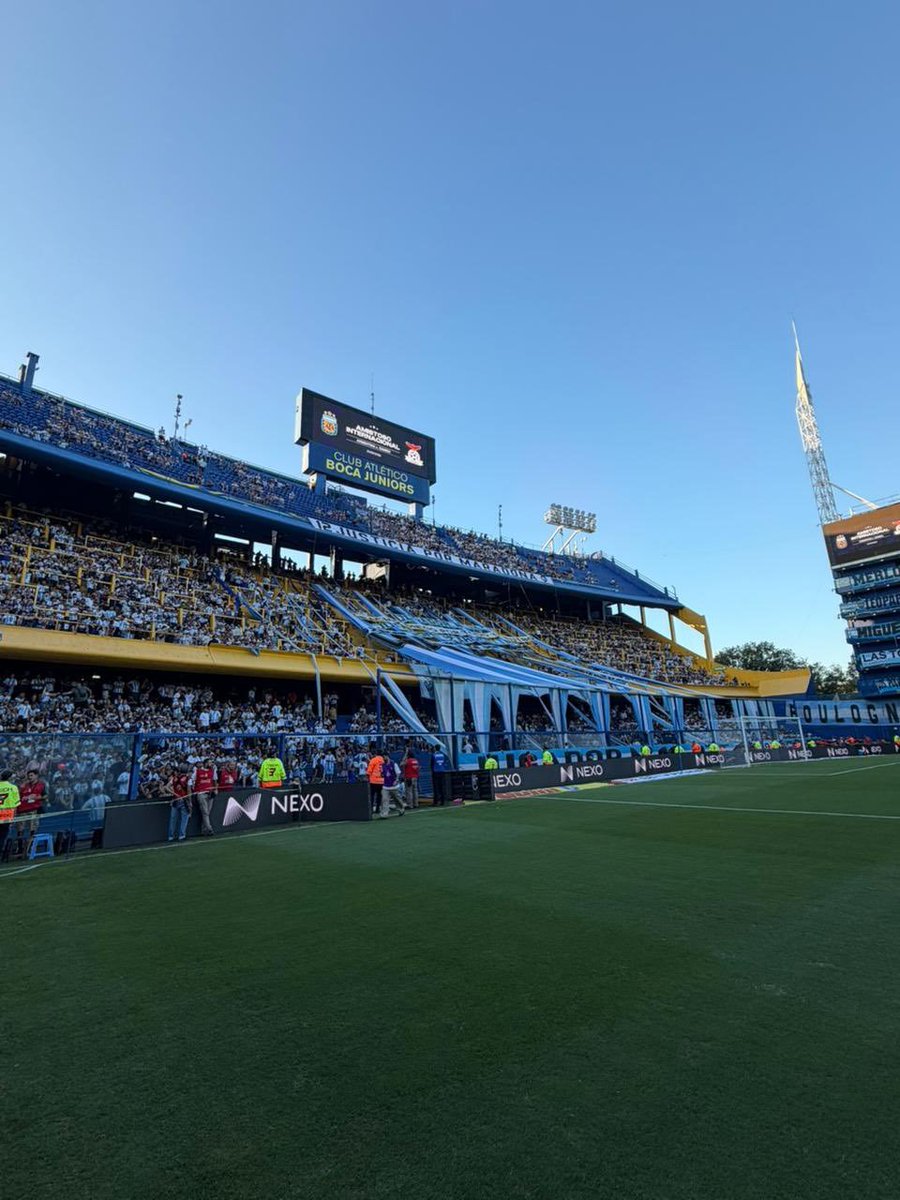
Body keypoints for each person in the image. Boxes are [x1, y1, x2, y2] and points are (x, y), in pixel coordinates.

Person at [191, 759, 217, 836]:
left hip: (210, 793)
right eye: (209, 762)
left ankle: (204, 830)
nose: (211, 764)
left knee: (207, 812)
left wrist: (215, 789)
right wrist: (194, 789)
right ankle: (209, 829)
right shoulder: (198, 771)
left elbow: (215, 781)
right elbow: (192, 780)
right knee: (205, 812)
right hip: (201, 793)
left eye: (211, 762)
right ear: (205, 763)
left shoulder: (212, 771)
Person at [0, 769, 21, 862]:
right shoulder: (13, 787)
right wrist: (14, 817)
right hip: (7, 814)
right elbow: (15, 804)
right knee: (2, 836)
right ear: (9, 777)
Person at [366, 745, 385, 816]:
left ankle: (370, 809)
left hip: (373, 780)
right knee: (379, 796)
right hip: (381, 780)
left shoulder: (373, 760)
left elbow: (369, 771)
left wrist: (367, 777)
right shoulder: (383, 760)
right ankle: (378, 808)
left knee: (372, 795)